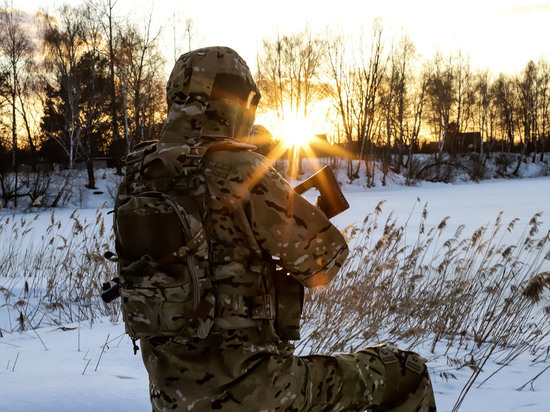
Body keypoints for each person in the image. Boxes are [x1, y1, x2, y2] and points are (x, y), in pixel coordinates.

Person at [115, 46, 437, 411]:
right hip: (260, 393)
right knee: (407, 371)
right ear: (238, 99)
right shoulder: (240, 168)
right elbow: (325, 263)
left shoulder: (136, 176)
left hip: (173, 399)